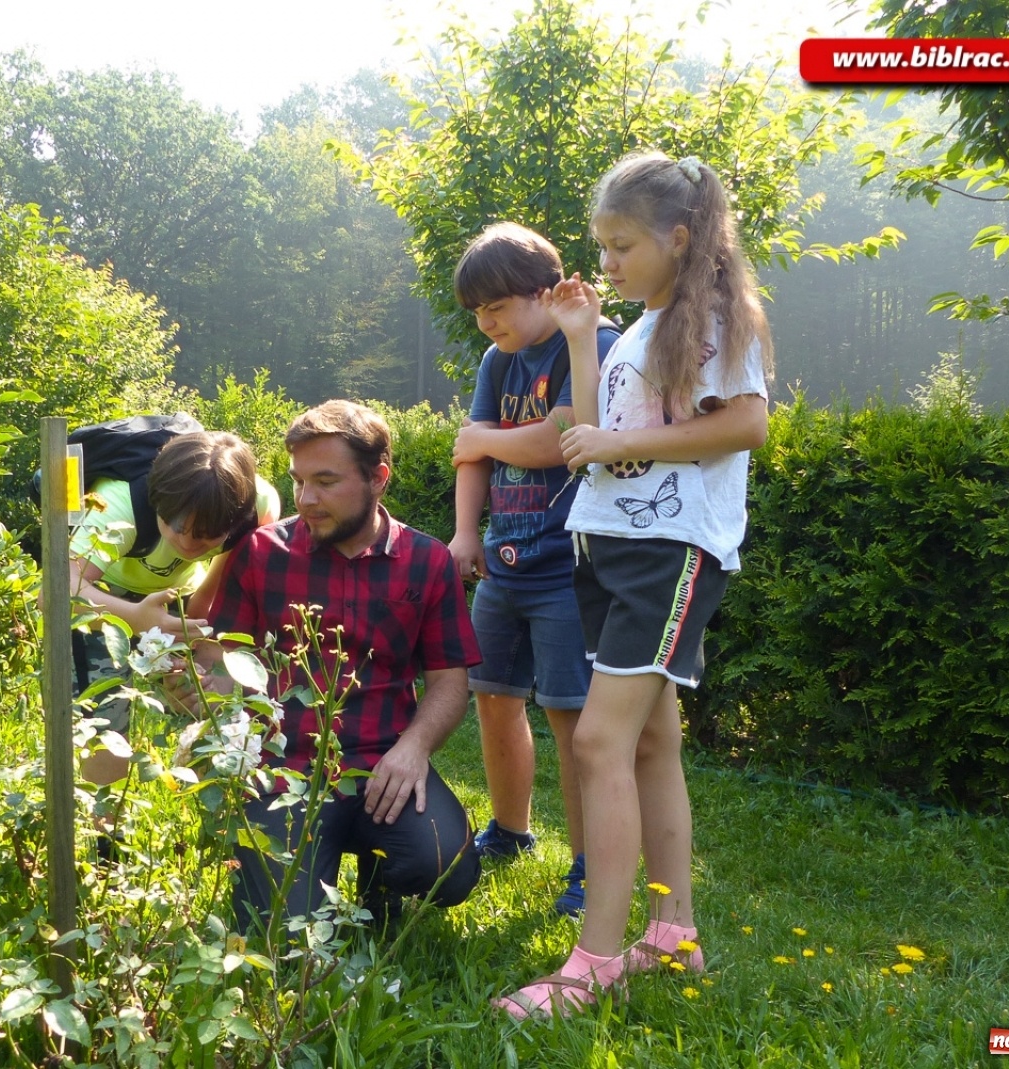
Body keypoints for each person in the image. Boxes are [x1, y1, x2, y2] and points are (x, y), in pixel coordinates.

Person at [496, 152, 773, 1016]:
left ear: (678, 238)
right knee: (651, 745)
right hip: (608, 547)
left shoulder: (715, 320)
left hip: (668, 552)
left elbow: (749, 423)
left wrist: (614, 448)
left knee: (596, 743)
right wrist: (583, 337)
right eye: (601, 246)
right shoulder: (640, 332)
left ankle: (596, 961)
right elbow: (593, 432)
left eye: (621, 246)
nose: (606, 263)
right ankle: (672, 934)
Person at [204, 400, 483, 932]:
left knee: (447, 869)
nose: (306, 499)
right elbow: (221, 656)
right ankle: (312, 877)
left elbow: (450, 682)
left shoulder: (428, 562)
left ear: (378, 477)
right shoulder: (261, 553)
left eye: (326, 482)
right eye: (298, 481)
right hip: (283, 771)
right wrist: (216, 719)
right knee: (285, 932)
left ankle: (382, 881)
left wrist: (414, 748)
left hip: (383, 765)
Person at [449, 222, 621, 915]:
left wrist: (485, 436)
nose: (488, 323)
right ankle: (512, 831)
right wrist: (467, 534)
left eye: (498, 307)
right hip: (503, 562)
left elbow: (562, 439)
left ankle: (585, 866)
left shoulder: (592, 345)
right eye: (479, 314)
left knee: (571, 719)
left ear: (545, 292)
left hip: (567, 569)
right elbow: (471, 456)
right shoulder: (498, 362)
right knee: (492, 697)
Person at [68, 430, 279, 786]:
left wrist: (202, 652)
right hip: (102, 591)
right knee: (107, 715)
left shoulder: (258, 509)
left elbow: (218, 582)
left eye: (206, 537)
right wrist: (135, 618)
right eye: (175, 527)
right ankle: (106, 829)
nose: (186, 543)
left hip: (180, 594)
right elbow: (57, 589)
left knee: (211, 701)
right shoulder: (119, 506)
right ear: (157, 505)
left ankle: (211, 812)